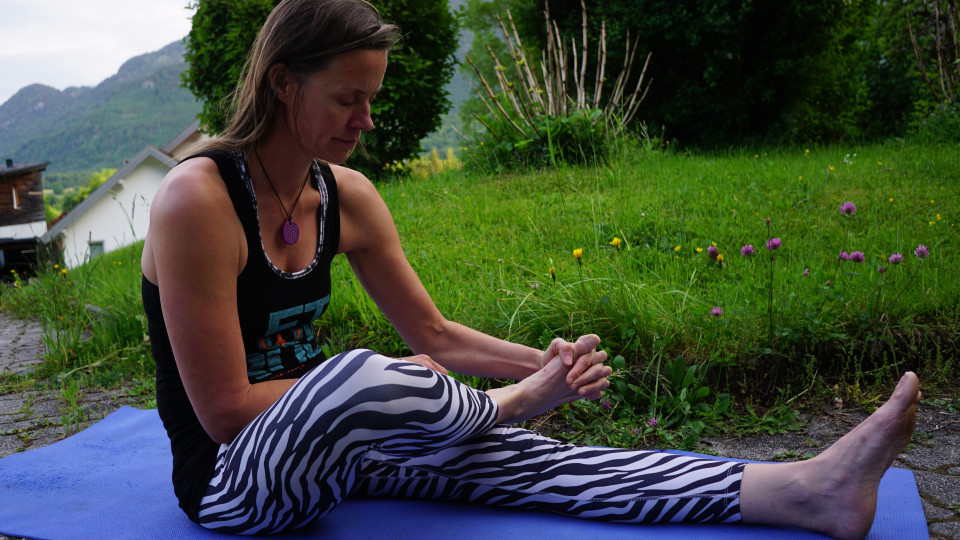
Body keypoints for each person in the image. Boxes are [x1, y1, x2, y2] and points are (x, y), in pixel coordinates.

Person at [141, 1, 920, 538]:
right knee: (365, 375)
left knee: (531, 462)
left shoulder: (349, 197)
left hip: (343, 455)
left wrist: (547, 363)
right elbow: (227, 411)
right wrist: (431, 392)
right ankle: (497, 406)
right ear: (283, 82)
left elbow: (437, 333)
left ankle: (805, 493)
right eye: (349, 98)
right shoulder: (197, 202)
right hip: (234, 485)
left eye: (373, 99)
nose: (367, 121)